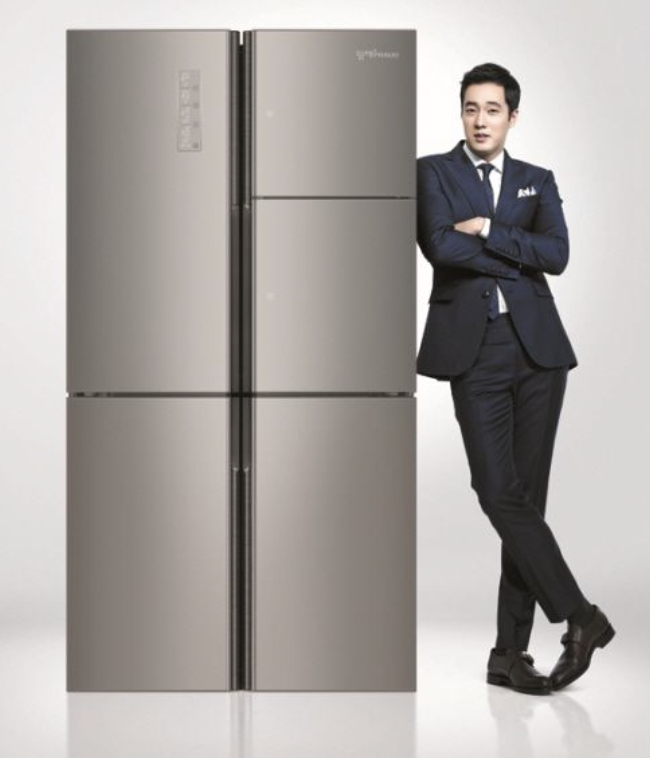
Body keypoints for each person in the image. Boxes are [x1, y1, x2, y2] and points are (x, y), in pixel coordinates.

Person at [416, 62, 615, 695]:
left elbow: (557, 255)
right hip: (473, 351)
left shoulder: (537, 179)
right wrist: (515, 253)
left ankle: (508, 653)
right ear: (461, 113)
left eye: (492, 109)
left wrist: (488, 230)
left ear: (512, 116)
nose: (481, 120)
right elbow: (440, 246)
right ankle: (581, 616)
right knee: (497, 490)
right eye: (471, 108)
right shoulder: (433, 172)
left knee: (526, 501)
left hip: (538, 353)